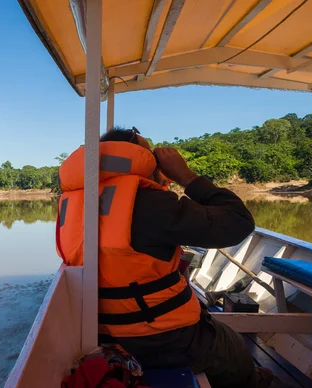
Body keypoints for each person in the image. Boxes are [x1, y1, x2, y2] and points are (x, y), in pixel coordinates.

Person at [56, 128, 273, 388]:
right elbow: (238, 222)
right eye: (152, 156)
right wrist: (186, 176)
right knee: (234, 348)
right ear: (138, 159)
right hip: (161, 337)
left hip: (98, 331)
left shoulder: (72, 203)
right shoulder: (149, 202)